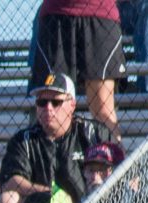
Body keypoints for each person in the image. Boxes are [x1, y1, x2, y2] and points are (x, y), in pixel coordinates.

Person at [0, 72, 116, 203]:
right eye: (41, 103)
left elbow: (120, 171)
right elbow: (11, 180)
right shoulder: (24, 139)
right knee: (7, 200)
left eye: (55, 102)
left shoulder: (94, 133)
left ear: (72, 104)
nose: (47, 108)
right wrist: (52, 195)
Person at [33, 0, 125, 130]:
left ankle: (111, 150)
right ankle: (57, 150)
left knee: (103, 109)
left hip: (100, 13)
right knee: (54, 105)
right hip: (56, 14)